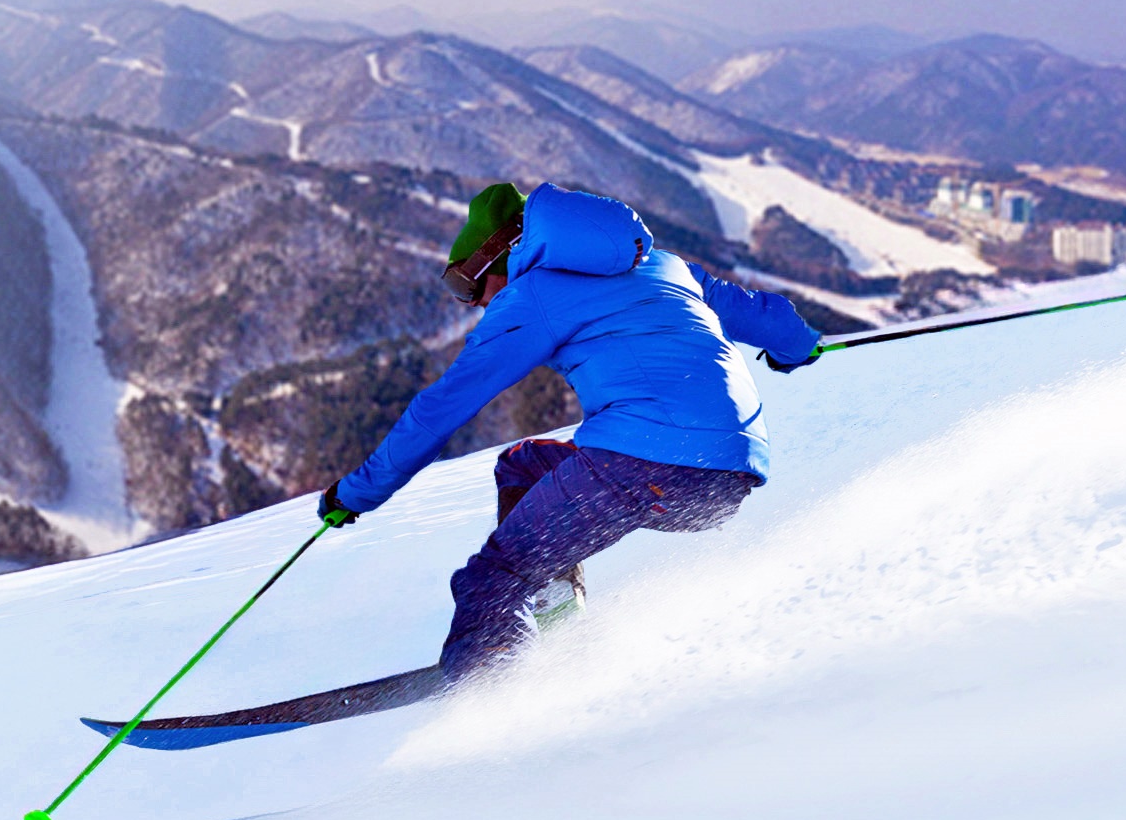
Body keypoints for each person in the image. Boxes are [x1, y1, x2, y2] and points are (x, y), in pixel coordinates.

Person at [317, 179, 820, 680]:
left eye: (467, 285)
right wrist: (798, 347)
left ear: (499, 254)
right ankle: (558, 616)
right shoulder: (666, 266)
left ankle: (489, 690)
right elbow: (761, 314)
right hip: (727, 479)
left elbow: (441, 409)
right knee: (523, 465)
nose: (472, 303)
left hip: (645, 462)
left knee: (494, 578)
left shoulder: (532, 295)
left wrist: (357, 493)